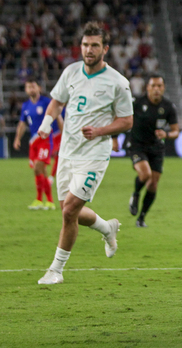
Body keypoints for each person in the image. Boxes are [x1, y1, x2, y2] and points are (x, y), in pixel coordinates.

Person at [36, 21, 134, 285]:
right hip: (67, 153)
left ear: (105, 48)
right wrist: (46, 124)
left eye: (95, 45)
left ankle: (56, 270)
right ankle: (106, 227)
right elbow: (57, 101)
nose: (89, 50)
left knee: (69, 212)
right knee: (70, 211)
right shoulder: (71, 72)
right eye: (85, 45)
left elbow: (127, 121)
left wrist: (101, 131)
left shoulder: (118, 82)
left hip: (94, 154)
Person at [125, 74, 179, 227]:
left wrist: (166, 134)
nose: (156, 89)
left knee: (153, 184)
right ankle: (135, 194)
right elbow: (122, 117)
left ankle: (141, 218)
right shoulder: (136, 103)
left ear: (163, 88)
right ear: (147, 88)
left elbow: (176, 131)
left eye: (159, 86)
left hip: (156, 148)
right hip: (137, 145)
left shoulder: (168, 107)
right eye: (153, 86)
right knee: (145, 174)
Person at [13, 78, 61, 210]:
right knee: (40, 171)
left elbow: (58, 116)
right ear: (26, 89)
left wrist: (62, 134)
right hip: (33, 142)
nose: (31, 89)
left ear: (39, 88)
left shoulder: (46, 102)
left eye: (33, 86)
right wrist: (17, 138)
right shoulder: (26, 106)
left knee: (38, 167)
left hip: (45, 139)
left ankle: (48, 201)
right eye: (28, 87)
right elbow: (22, 123)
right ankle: (42, 200)